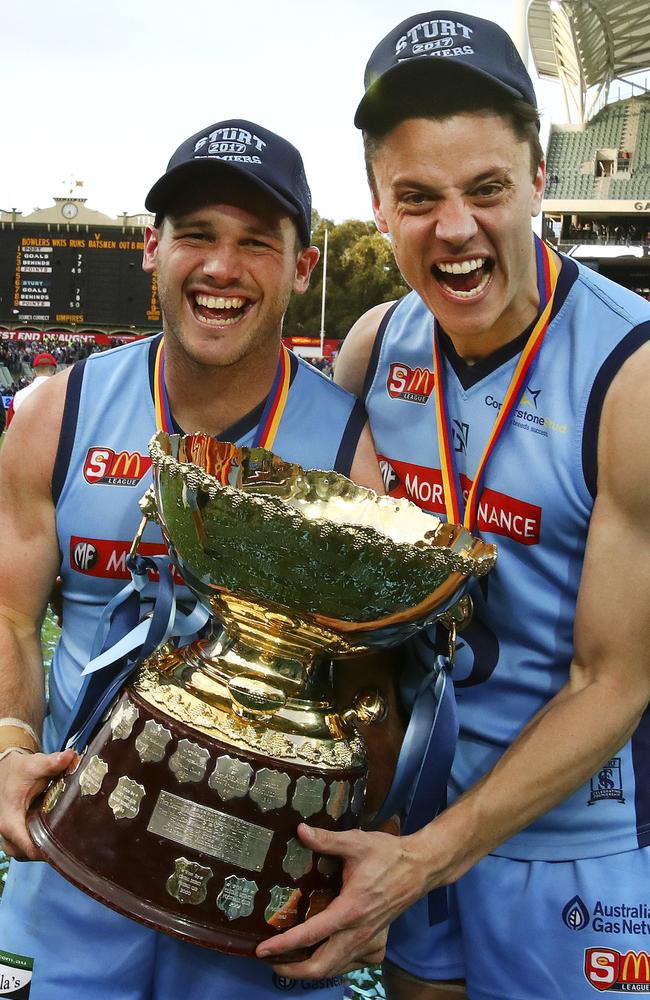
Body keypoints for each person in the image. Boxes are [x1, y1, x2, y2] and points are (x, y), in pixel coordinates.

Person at [255, 12, 650, 999]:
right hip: (407, 827)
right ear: (377, 207)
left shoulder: (629, 372)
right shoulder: (371, 347)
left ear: (534, 179)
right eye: (417, 197)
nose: (456, 228)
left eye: (484, 190)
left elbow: (614, 681)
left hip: (576, 851)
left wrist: (428, 854)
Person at [0, 117, 384, 1000]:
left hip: (255, 907)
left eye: (256, 241)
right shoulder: (57, 415)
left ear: (302, 268)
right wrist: (13, 743)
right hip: (72, 863)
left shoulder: (349, 455)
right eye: (197, 236)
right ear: (152, 248)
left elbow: (376, 695)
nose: (221, 267)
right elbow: (14, 618)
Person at [4, 351, 58, 429]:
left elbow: (10, 429)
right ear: (55, 372)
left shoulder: (19, 396)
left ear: (33, 372)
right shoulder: (68, 395)